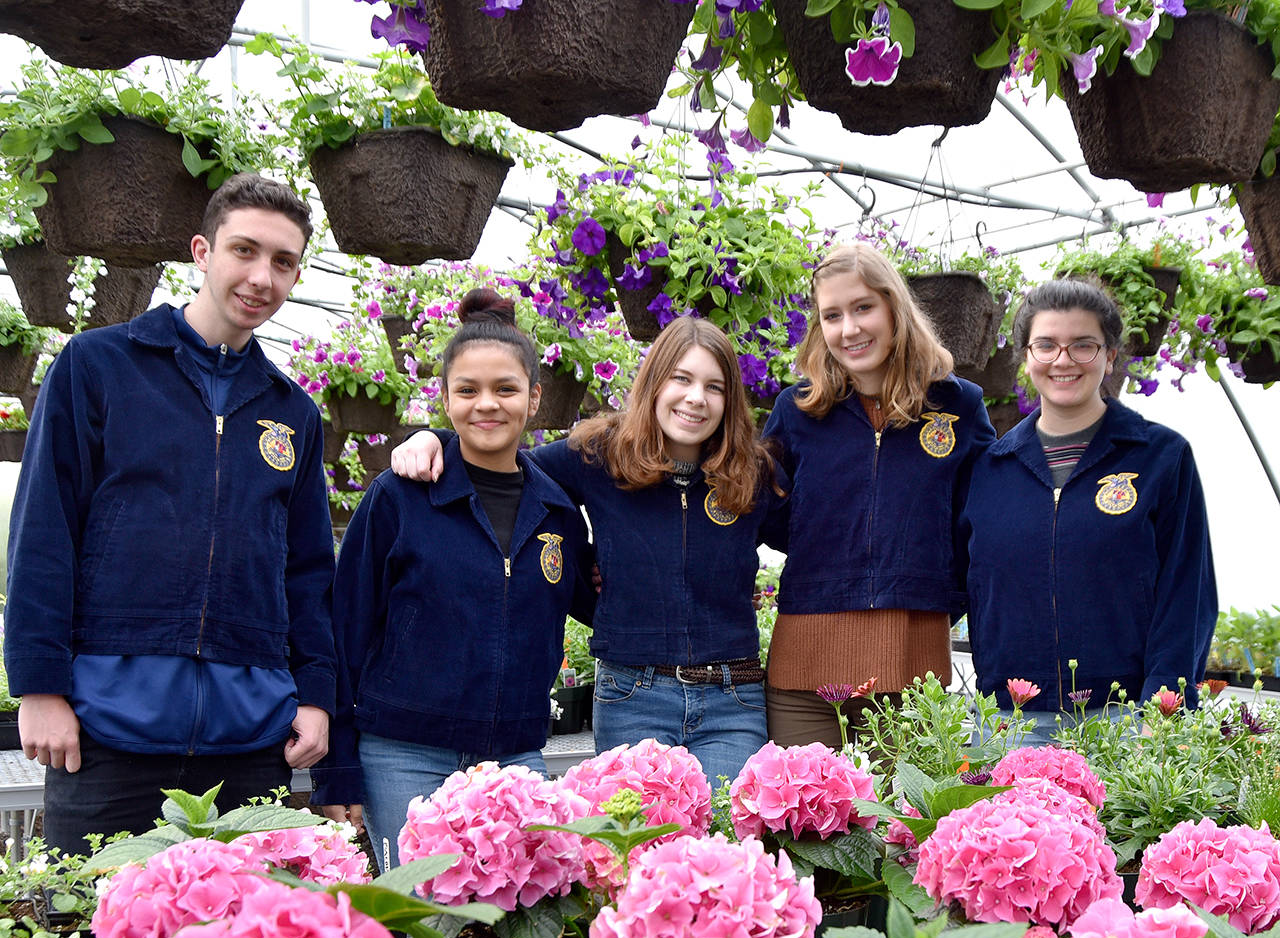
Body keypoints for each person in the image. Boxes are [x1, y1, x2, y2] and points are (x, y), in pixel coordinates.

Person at [5, 173, 336, 854]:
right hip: (106, 732)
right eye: (243, 250)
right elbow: (43, 531)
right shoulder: (98, 367)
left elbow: (307, 569)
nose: (261, 277)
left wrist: (316, 695)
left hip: (249, 741)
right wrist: (37, 686)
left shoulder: (291, 410)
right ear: (201, 251)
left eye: (283, 262)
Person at [391, 316, 786, 785]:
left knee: (727, 845)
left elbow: (809, 538)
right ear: (655, 383)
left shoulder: (754, 473)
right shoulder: (603, 452)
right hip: (633, 696)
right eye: (681, 378)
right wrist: (437, 438)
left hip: (732, 702)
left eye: (714, 386)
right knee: (637, 850)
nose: (695, 397)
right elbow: (505, 467)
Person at [311, 289, 596, 870]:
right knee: (423, 923)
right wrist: (337, 768)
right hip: (405, 755)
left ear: (534, 399)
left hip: (518, 754)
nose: (486, 405)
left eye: (505, 389)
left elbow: (596, 603)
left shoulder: (558, 512)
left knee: (519, 920)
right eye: (467, 390)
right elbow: (344, 630)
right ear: (444, 399)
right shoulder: (400, 496)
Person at [760, 243, 996, 749]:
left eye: (863, 307)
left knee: (897, 825)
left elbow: (986, 519)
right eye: (832, 315)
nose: (850, 329)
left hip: (911, 655)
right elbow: (761, 511)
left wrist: (940, 593)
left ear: (894, 308)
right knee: (801, 819)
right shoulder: (796, 410)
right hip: (806, 656)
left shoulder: (959, 405)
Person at [959, 278, 1216, 741]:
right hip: (1009, 722)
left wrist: (1162, 713)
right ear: (1025, 356)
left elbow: (1188, 595)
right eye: (1046, 345)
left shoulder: (1160, 457)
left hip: (1126, 720)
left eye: (1083, 345)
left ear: (1110, 355)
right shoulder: (989, 470)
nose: (1063, 360)